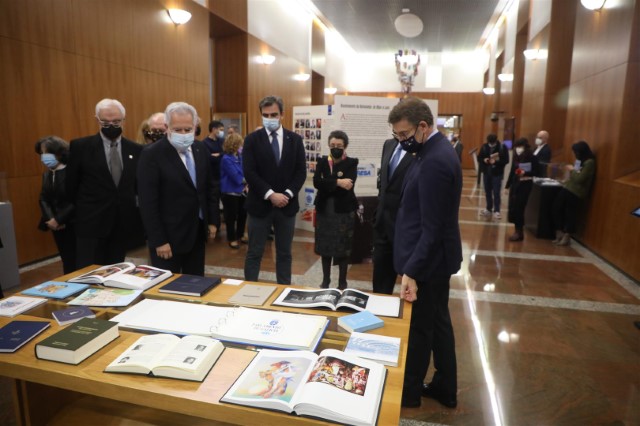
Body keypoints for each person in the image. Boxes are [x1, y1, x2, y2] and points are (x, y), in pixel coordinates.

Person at [388, 97, 462, 409]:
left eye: (404, 135)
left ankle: (409, 392)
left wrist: (412, 271)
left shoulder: (435, 161)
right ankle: (445, 386)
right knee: (439, 322)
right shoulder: (429, 150)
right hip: (431, 257)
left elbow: (431, 228)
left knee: (421, 328)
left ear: (423, 126)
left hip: (429, 261)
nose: (401, 142)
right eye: (396, 137)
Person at [137, 102, 220, 275]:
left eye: (188, 129)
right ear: (167, 127)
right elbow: (148, 202)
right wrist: (158, 240)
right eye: (178, 129)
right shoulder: (152, 154)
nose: (183, 134)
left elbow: (209, 187)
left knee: (195, 284)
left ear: (195, 127)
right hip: (168, 238)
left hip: (196, 233)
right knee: (166, 289)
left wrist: (212, 221)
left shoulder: (200, 148)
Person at [66, 98, 143, 268]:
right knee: (88, 273)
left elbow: (136, 186)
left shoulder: (136, 150)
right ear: (97, 120)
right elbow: (71, 185)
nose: (111, 126)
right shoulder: (80, 147)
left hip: (121, 224)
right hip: (90, 225)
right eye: (105, 122)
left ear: (124, 120)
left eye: (116, 121)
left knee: (115, 271)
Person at [242, 95, 306, 284]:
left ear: (282, 114)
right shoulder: (252, 139)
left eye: (274, 114)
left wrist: (286, 194)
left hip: (287, 206)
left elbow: (300, 172)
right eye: (266, 115)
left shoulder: (294, 140)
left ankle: (283, 290)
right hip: (259, 205)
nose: (270, 118)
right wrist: (270, 195)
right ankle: (250, 289)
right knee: (254, 252)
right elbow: (249, 171)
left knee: (285, 253)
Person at [313, 130, 358, 289]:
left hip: (344, 212)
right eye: (332, 145)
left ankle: (342, 283)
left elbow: (349, 185)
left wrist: (329, 183)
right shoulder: (322, 161)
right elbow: (317, 183)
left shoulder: (352, 162)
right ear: (328, 145)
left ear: (345, 146)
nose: (335, 148)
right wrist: (338, 182)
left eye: (339, 145)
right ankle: (326, 281)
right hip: (325, 211)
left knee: (343, 250)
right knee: (325, 249)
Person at [372, 135, 414, 294]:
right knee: (380, 286)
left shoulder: (419, 149)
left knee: (410, 286)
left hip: (405, 227)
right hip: (382, 225)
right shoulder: (388, 144)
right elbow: (384, 182)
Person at [35, 136, 76, 274]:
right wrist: (51, 219)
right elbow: (43, 198)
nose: (43, 157)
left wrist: (60, 219)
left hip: (73, 223)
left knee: (76, 260)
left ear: (58, 152)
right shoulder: (47, 175)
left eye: (45, 153)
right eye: (41, 153)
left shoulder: (72, 172)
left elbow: (76, 199)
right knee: (66, 260)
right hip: (55, 226)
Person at [552, 141, 596, 246]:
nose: (576, 154)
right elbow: (574, 177)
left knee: (570, 214)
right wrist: (565, 180)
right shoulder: (578, 161)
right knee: (556, 208)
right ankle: (559, 231)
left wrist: (572, 170)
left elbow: (579, 179)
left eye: (577, 152)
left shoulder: (589, 163)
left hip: (576, 192)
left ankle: (567, 235)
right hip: (568, 188)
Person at [505, 138, 539, 242]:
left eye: (520, 147)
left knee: (520, 207)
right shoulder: (516, 156)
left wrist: (525, 173)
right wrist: (507, 185)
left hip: (525, 184)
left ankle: (519, 232)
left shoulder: (532, 157)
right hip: (516, 184)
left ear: (525, 147)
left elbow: (536, 171)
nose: (518, 149)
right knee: (514, 207)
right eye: (517, 147)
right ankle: (517, 230)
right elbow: (512, 170)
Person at [220, 133, 248, 249]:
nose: (242, 146)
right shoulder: (226, 159)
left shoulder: (240, 157)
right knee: (231, 217)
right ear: (235, 144)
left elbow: (246, 171)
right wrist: (250, 180)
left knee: (243, 215)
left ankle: (240, 235)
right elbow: (236, 177)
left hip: (241, 191)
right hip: (230, 192)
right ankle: (232, 239)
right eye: (240, 144)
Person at [478, 133, 509, 219]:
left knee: (496, 192)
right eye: (489, 143)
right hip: (486, 173)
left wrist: (496, 162)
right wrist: (484, 160)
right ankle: (488, 208)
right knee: (487, 191)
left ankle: (497, 211)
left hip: (497, 173)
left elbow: (506, 161)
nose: (491, 145)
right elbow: (479, 158)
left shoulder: (503, 147)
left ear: (496, 141)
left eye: (493, 143)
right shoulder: (484, 146)